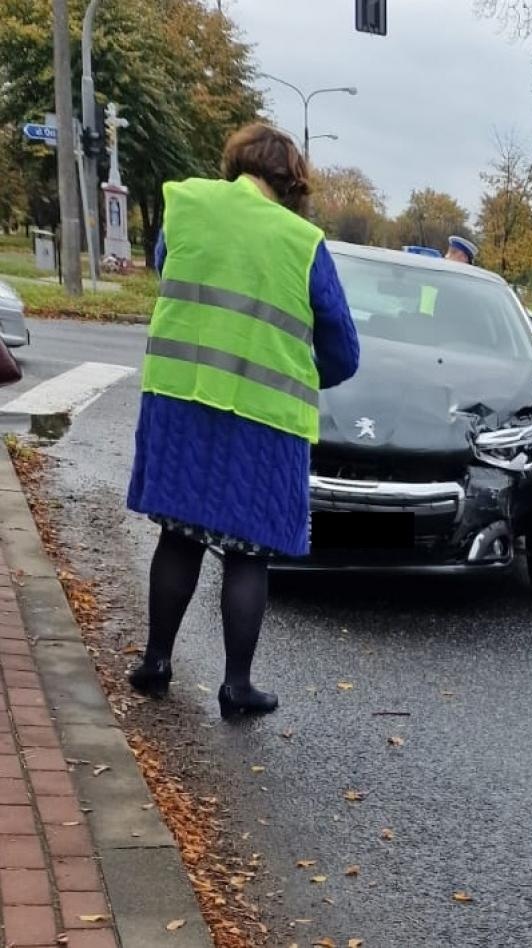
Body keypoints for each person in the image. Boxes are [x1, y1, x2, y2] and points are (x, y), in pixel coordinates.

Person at [125, 123, 361, 719]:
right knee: (246, 553)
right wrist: (305, 375)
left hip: (182, 399)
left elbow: (167, 272)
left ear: (235, 163)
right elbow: (344, 349)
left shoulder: (187, 203)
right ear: (291, 181)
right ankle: (237, 686)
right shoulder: (300, 241)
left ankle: (156, 661)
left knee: (179, 534)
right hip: (262, 421)